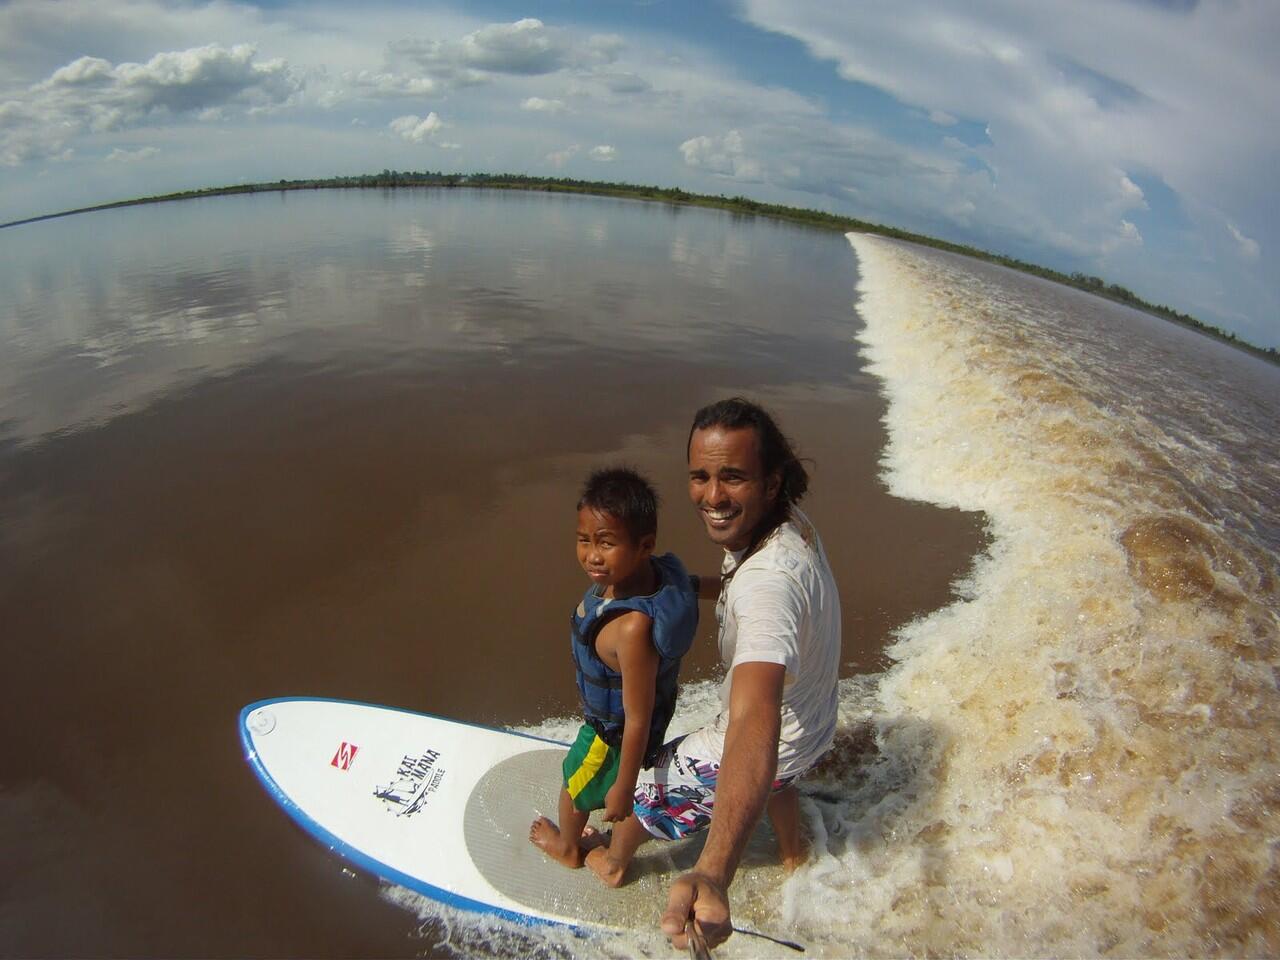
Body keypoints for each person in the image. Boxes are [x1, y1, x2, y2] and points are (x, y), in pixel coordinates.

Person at [582, 398, 841, 953]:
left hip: (774, 732)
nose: (713, 495)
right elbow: (744, 585)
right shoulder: (785, 526)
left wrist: (715, 870)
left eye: (733, 478)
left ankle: (613, 862)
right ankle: (793, 852)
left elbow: (753, 717)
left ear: (771, 482)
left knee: (653, 782)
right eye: (700, 477)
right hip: (814, 723)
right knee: (778, 775)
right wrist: (677, 585)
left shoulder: (767, 588)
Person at [528, 467, 700, 869]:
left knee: (575, 784)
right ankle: (616, 817)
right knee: (624, 779)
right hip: (648, 718)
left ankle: (568, 848)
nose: (592, 555)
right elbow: (691, 585)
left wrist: (622, 787)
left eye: (606, 543)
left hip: (611, 733)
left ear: (645, 545)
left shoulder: (631, 629)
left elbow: (636, 718)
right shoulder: (657, 575)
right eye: (584, 540)